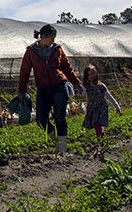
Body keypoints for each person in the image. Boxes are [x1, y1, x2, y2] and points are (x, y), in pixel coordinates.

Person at [18, 24, 84, 153]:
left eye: (54, 38)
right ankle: (57, 141)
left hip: (60, 86)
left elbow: (67, 68)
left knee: (60, 118)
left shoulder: (57, 49)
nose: (53, 41)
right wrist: (22, 90)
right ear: (43, 37)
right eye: (51, 38)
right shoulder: (31, 51)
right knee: (41, 119)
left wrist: (76, 83)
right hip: (43, 89)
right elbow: (24, 71)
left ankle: (62, 149)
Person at [81, 64, 121, 138]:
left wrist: (117, 107)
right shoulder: (87, 86)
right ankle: (100, 135)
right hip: (92, 108)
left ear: (96, 73)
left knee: (97, 122)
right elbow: (82, 94)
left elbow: (109, 96)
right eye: (89, 75)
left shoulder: (101, 86)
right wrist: (81, 88)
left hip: (101, 107)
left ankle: (100, 136)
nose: (91, 76)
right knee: (95, 123)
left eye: (92, 73)